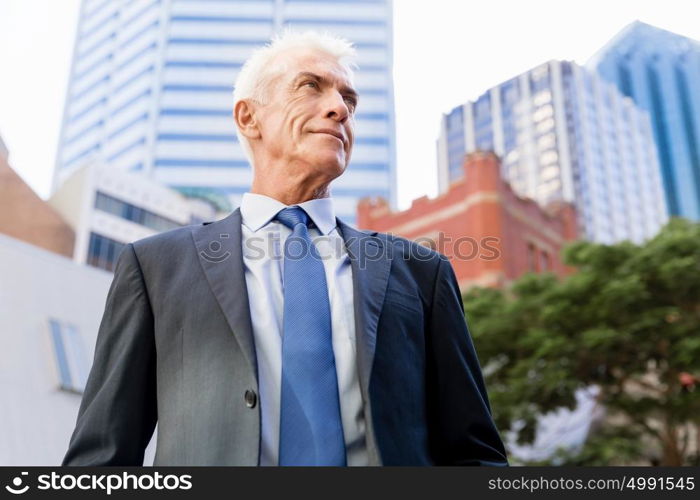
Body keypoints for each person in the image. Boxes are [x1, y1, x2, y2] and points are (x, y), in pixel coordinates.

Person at [62, 30, 508, 466]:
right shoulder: (155, 267)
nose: (338, 109)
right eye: (310, 87)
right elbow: (102, 458)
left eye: (348, 101)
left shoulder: (420, 272)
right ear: (248, 117)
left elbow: (475, 454)